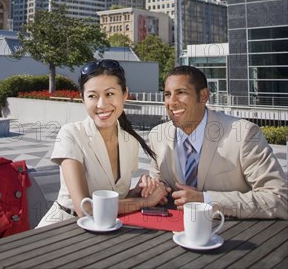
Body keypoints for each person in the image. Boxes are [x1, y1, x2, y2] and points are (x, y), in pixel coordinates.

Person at [37, 59, 167, 227]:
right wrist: (145, 202)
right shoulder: (71, 134)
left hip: (108, 228)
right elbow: (85, 208)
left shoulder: (130, 141)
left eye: (110, 94)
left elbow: (116, 200)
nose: (101, 104)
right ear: (83, 99)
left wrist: (139, 191)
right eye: (92, 96)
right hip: (63, 228)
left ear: (125, 94)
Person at [149, 65, 287, 219]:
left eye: (181, 92)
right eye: (167, 94)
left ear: (203, 96)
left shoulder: (243, 134)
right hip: (170, 236)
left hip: (238, 236)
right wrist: (155, 189)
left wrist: (206, 200)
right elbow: (160, 185)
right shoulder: (157, 135)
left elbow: (279, 199)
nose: (172, 102)